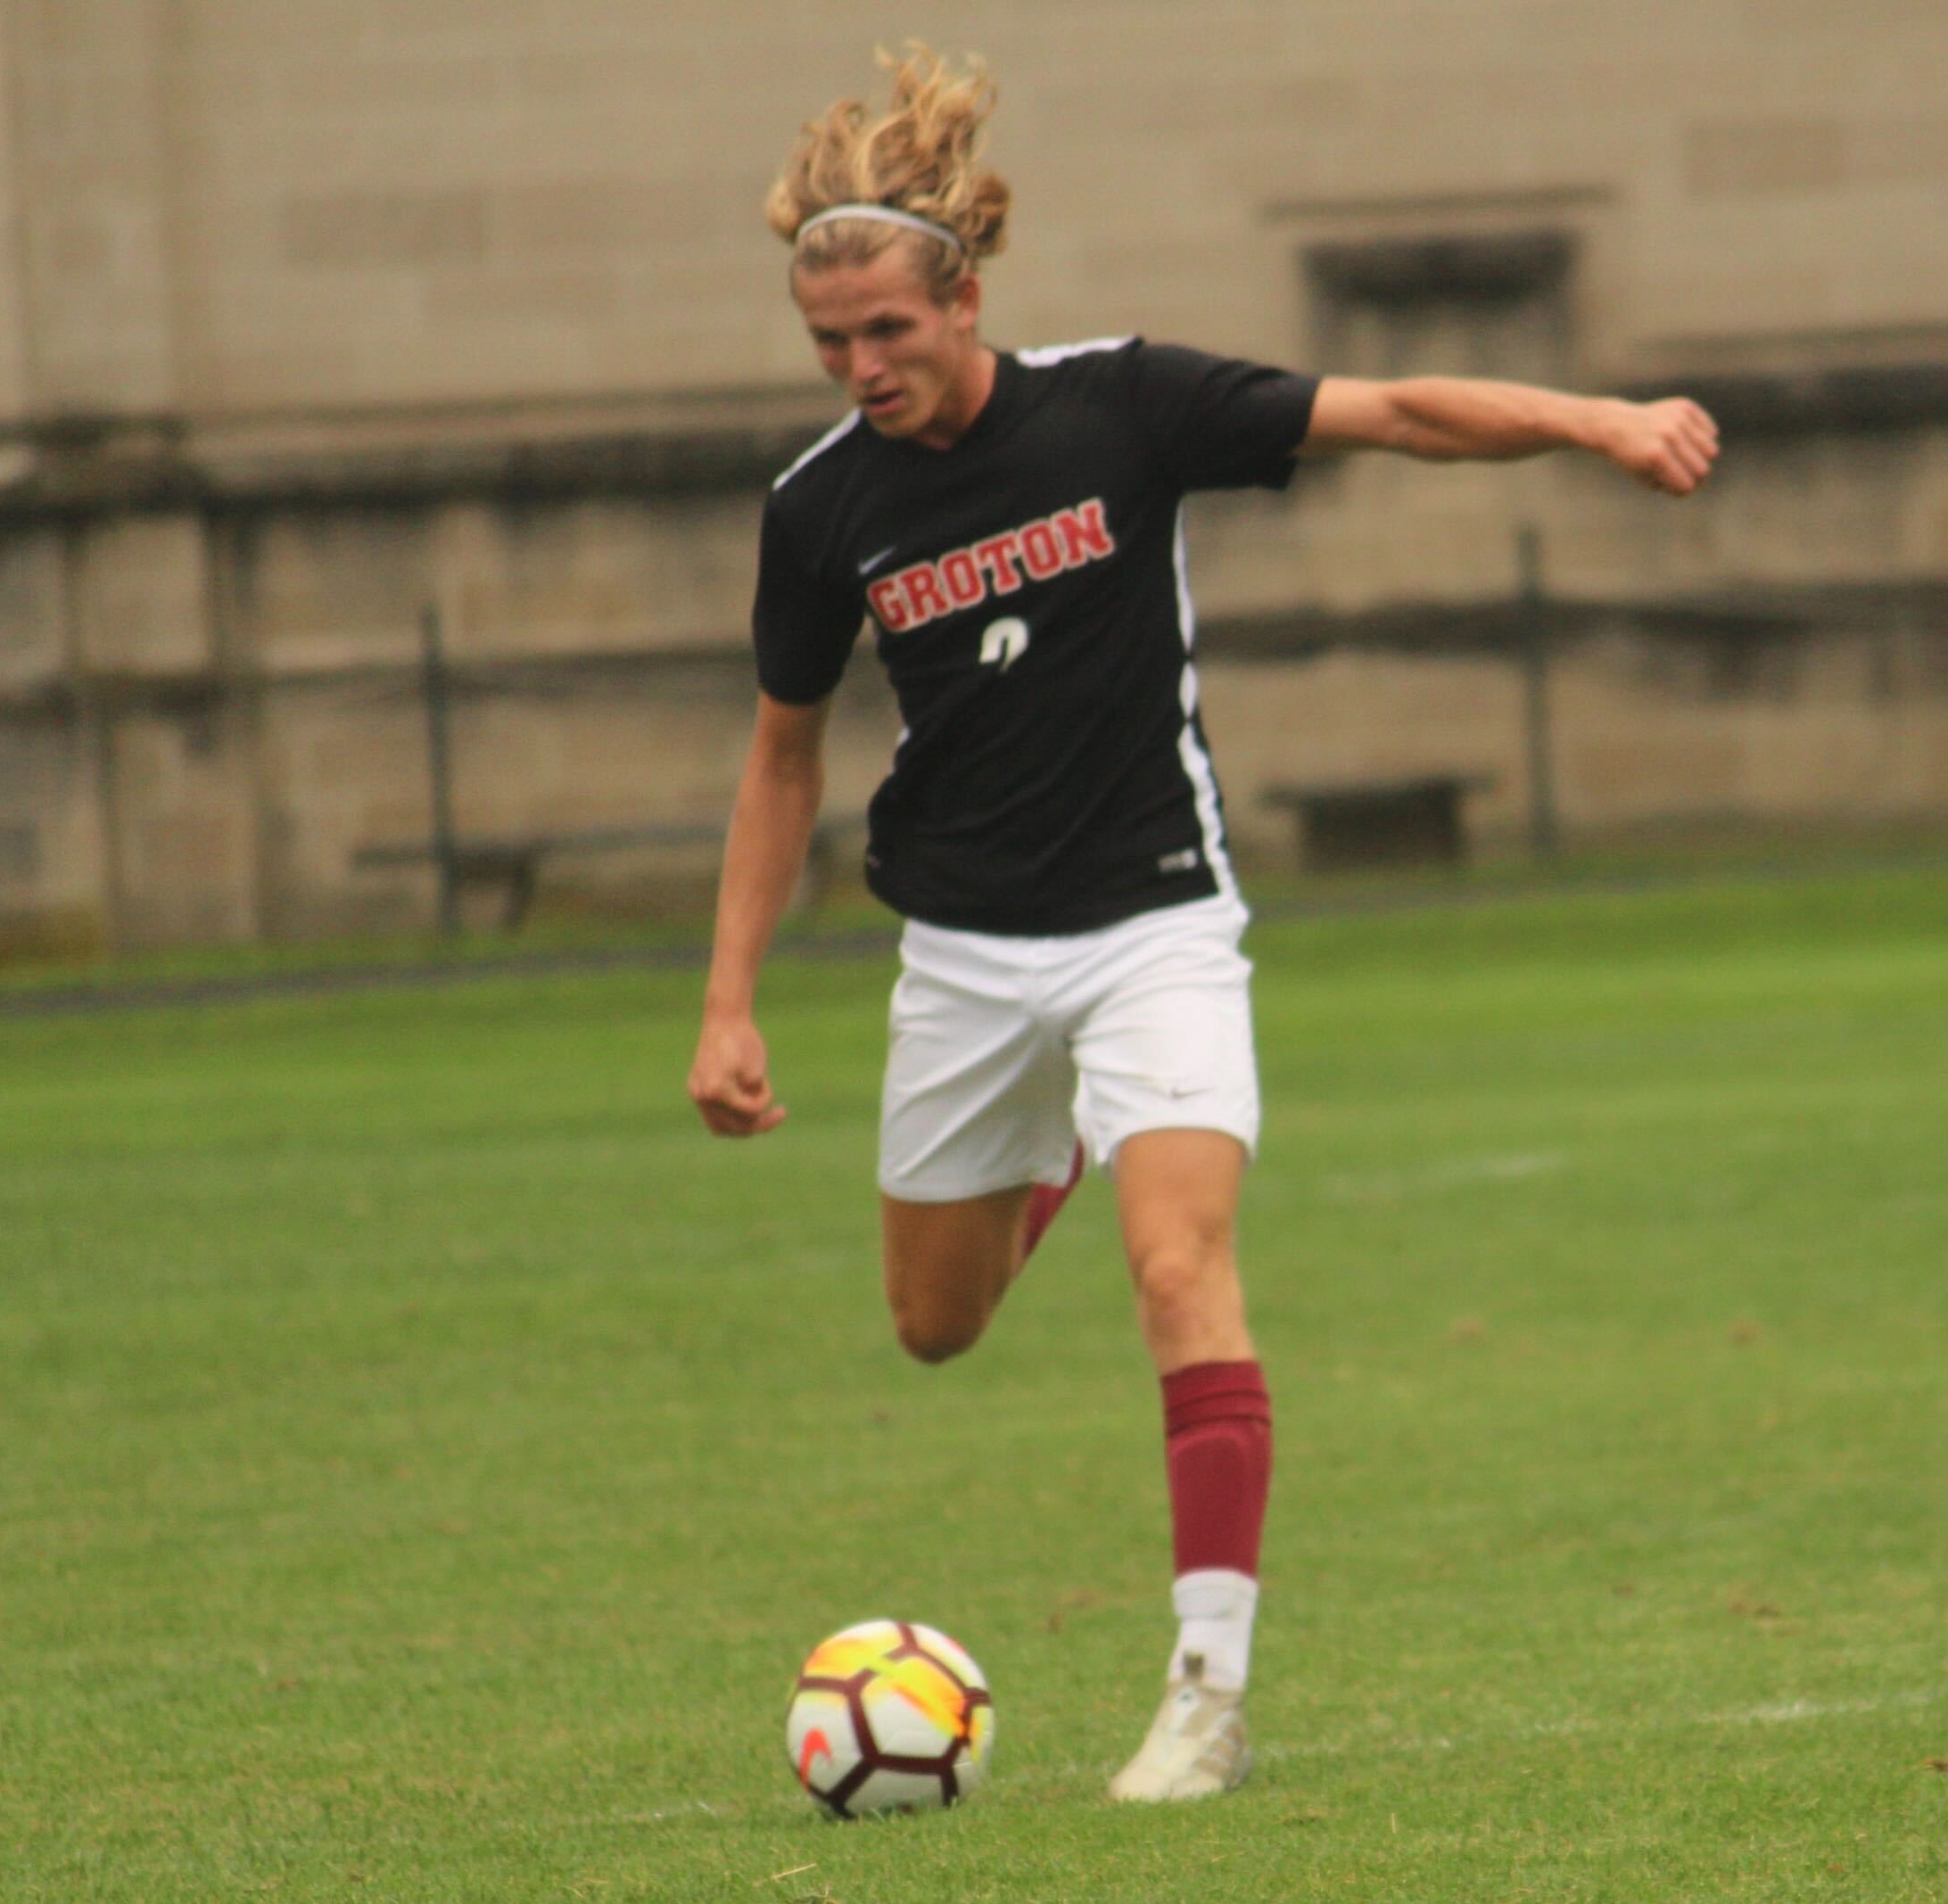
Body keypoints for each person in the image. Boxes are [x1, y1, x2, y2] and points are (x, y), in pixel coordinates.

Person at [685, 46, 1720, 1803]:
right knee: (936, 1327)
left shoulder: (1122, 406)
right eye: (829, 346)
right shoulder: (821, 509)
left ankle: (1207, 1691)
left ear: (966, 299)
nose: (862, 370)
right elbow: (784, 758)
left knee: (1184, 1268)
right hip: (962, 953)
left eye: (888, 334)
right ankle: (1062, 1147)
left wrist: (1597, 420)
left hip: (1158, 917)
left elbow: (1391, 408)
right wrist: (730, 1005)